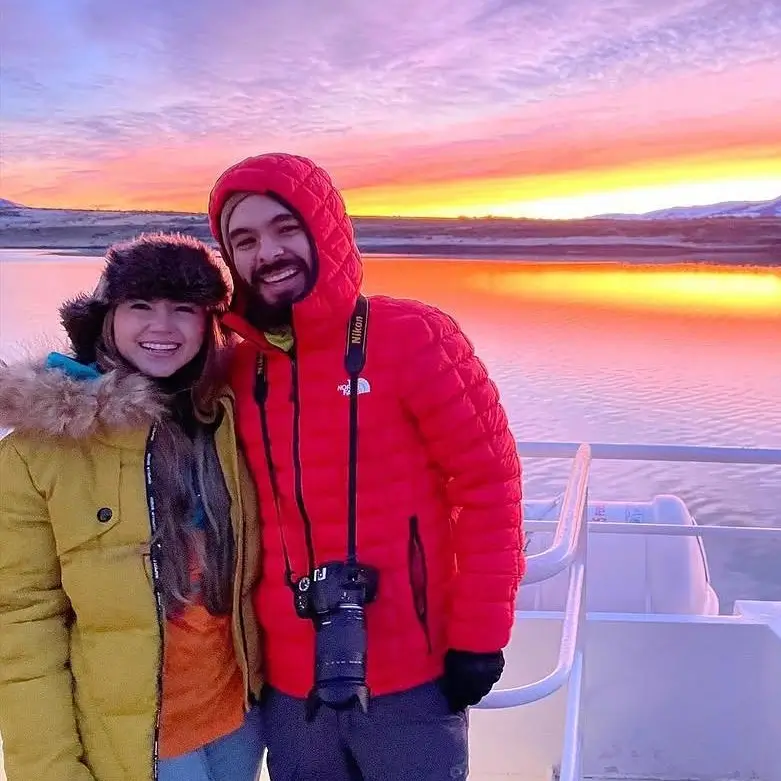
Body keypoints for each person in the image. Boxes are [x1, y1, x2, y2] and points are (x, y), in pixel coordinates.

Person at [206, 153, 525, 780]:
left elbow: (489, 486)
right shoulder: (236, 367)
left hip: (413, 676)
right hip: (289, 685)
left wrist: (480, 635)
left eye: (285, 228)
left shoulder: (414, 337)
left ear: (324, 230)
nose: (268, 252)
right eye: (244, 240)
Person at [0, 233, 265, 781]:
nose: (162, 327)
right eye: (140, 305)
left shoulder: (227, 420)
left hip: (238, 725)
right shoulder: (44, 448)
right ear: (106, 319)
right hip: (137, 747)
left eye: (184, 309)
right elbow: (21, 622)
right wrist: (50, 769)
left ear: (208, 324)